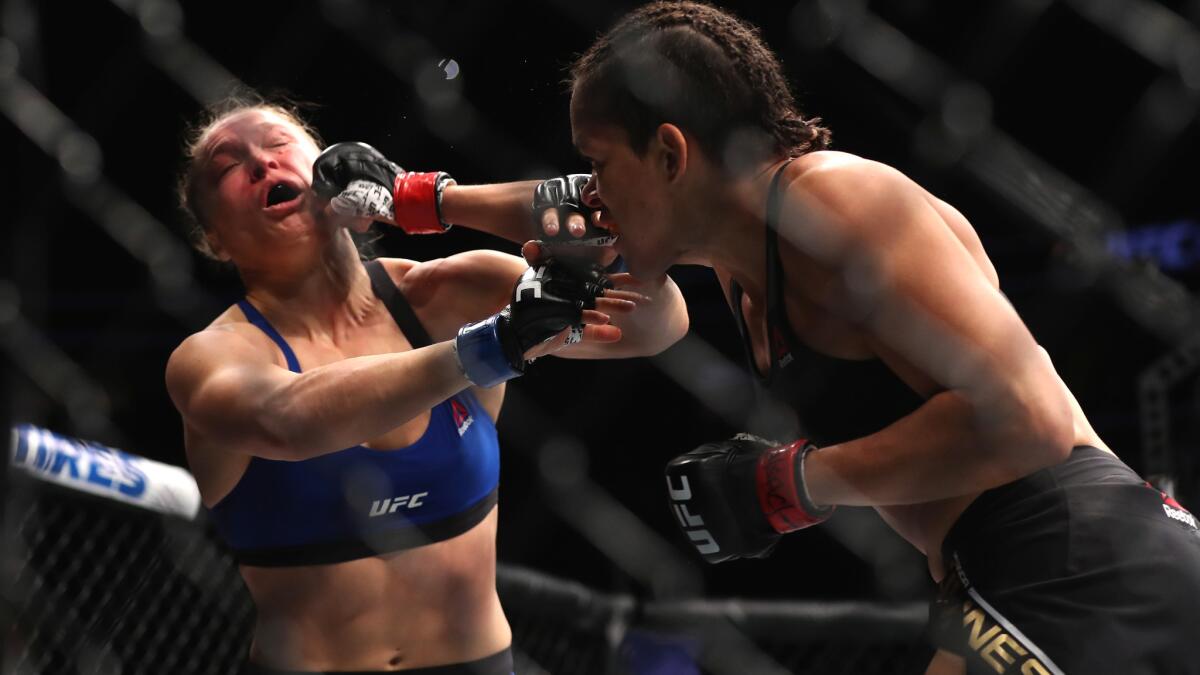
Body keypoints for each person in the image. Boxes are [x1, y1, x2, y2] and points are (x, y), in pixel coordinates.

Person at [561, 2, 1200, 673]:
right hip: (1016, 573)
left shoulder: (832, 201)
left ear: (669, 153)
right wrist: (442, 202)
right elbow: (557, 206)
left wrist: (791, 481)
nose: (592, 197)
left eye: (599, 165)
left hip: (1076, 558)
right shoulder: (740, 254)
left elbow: (1026, 418)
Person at [164, 95, 688, 674]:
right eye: (228, 166)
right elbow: (285, 419)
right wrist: (491, 348)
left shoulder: (449, 296)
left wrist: (426, 200)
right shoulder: (212, 356)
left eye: (277, 143)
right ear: (213, 237)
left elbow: (655, 326)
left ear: (330, 165)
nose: (262, 163)